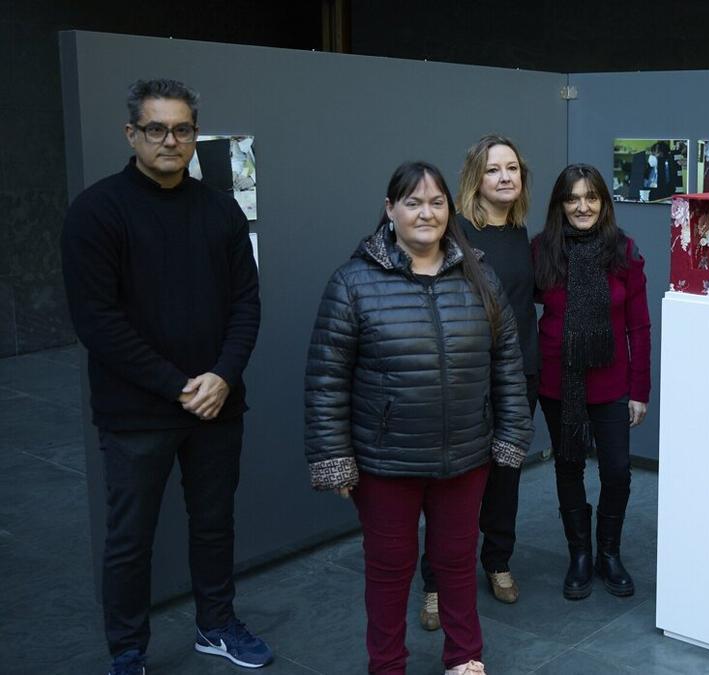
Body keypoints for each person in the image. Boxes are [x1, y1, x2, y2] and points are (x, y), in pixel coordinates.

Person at [60, 79, 269, 675]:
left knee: (213, 524)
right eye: (157, 129)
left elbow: (247, 303)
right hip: (137, 413)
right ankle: (128, 651)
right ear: (132, 134)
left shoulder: (220, 207)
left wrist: (224, 376)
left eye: (182, 129)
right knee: (130, 540)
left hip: (217, 404)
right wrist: (180, 385)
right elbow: (97, 322)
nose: (171, 140)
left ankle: (216, 625)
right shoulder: (97, 211)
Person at [305, 161, 531, 675]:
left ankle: (464, 656)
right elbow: (326, 377)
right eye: (412, 202)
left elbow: (508, 362)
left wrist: (512, 434)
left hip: (466, 456)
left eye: (435, 202)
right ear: (390, 210)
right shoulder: (353, 282)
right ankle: (387, 664)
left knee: (454, 564)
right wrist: (333, 458)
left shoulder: (479, 274)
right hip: (387, 462)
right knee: (389, 571)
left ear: (449, 209)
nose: (425, 213)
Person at [417, 135, 539, 631]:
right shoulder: (456, 232)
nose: (505, 177)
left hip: (520, 375)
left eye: (512, 168)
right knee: (453, 485)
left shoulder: (522, 232)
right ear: (476, 178)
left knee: (506, 476)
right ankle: (436, 583)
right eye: (494, 170)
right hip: (468, 378)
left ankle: (497, 561)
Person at [532, 163, 651, 600]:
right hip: (558, 381)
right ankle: (579, 555)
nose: (582, 207)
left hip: (612, 382)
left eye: (591, 197)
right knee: (568, 466)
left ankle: (609, 553)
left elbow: (639, 326)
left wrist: (640, 390)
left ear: (603, 202)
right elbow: (521, 312)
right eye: (572, 198)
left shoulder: (624, 251)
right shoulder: (542, 250)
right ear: (560, 204)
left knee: (617, 471)